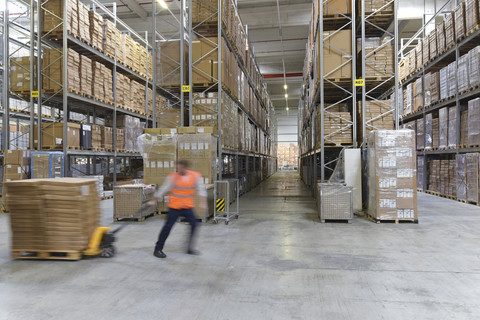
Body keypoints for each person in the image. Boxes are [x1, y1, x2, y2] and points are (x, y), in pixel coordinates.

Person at [148, 159, 207, 259]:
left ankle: (189, 248)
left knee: (194, 224)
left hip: (187, 207)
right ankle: (158, 249)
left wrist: (202, 203)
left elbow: (201, 190)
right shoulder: (172, 177)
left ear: (185, 168)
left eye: (180, 168)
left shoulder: (195, 176)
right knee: (167, 227)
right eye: (177, 168)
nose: (178, 170)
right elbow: (163, 189)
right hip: (174, 207)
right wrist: (153, 200)